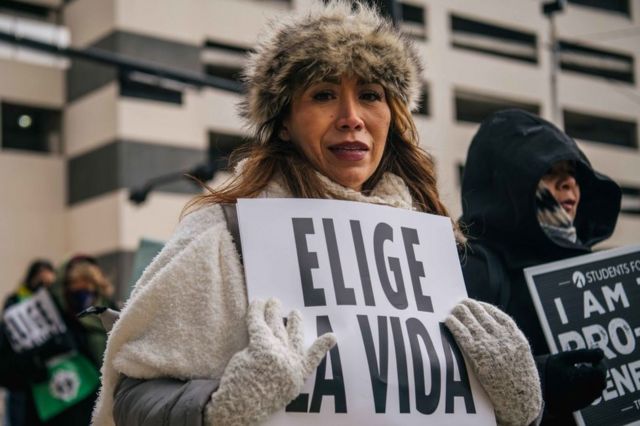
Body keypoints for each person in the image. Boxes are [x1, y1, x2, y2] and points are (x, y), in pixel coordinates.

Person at [92, 3, 543, 426]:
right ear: (285, 121)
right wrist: (223, 404)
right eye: (324, 94)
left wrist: (517, 404)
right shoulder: (225, 233)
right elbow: (134, 394)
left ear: (392, 115)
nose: (351, 117)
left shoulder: (437, 248)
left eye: (370, 94)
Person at [459, 108, 622, 425]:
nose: (568, 183)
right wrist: (542, 379)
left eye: (573, 172)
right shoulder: (474, 266)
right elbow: (448, 382)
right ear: (506, 185)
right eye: (549, 172)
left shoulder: (596, 269)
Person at [0, 256, 114, 425]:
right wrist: (38, 360)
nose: (84, 293)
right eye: (77, 285)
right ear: (63, 287)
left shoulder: (105, 315)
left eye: (91, 287)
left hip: (94, 413)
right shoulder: (33, 314)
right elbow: (6, 370)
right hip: (45, 413)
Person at [1, 260, 57, 426]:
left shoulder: (53, 302)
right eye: (40, 282)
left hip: (45, 379)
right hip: (22, 378)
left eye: (48, 284)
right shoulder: (15, 300)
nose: (43, 287)